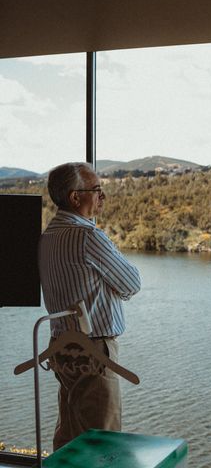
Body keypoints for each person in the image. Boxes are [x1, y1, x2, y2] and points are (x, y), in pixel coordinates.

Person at [38, 162, 141, 450]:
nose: (102, 196)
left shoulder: (48, 237)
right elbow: (131, 283)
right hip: (95, 350)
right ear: (75, 197)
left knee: (70, 435)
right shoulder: (88, 236)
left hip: (60, 346)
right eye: (96, 189)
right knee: (102, 441)